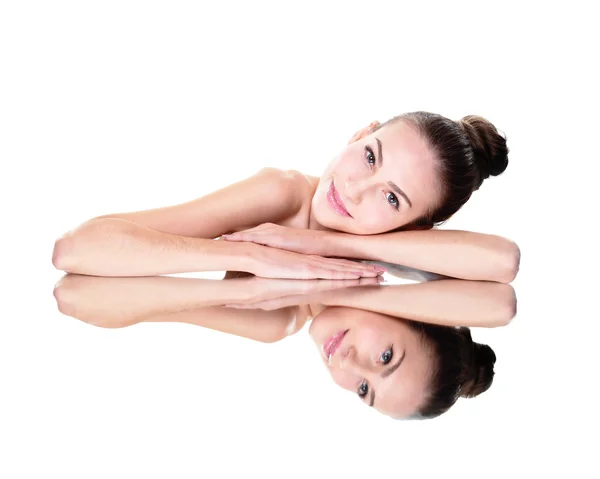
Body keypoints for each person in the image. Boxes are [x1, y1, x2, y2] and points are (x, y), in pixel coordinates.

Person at [52, 111, 520, 282]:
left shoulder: (386, 251)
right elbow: (76, 248)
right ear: (361, 133)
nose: (355, 188)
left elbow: (503, 267)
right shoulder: (283, 194)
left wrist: (334, 245)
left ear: (416, 228)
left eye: (392, 199)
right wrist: (257, 256)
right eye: (371, 157)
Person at [53, 273, 516, 419]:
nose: (348, 365)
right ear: (408, 306)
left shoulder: (272, 321)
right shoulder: (314, 205)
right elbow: (73, 254)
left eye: (362, 390)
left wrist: (244, 272)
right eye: (385, 358)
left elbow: (77, 295)